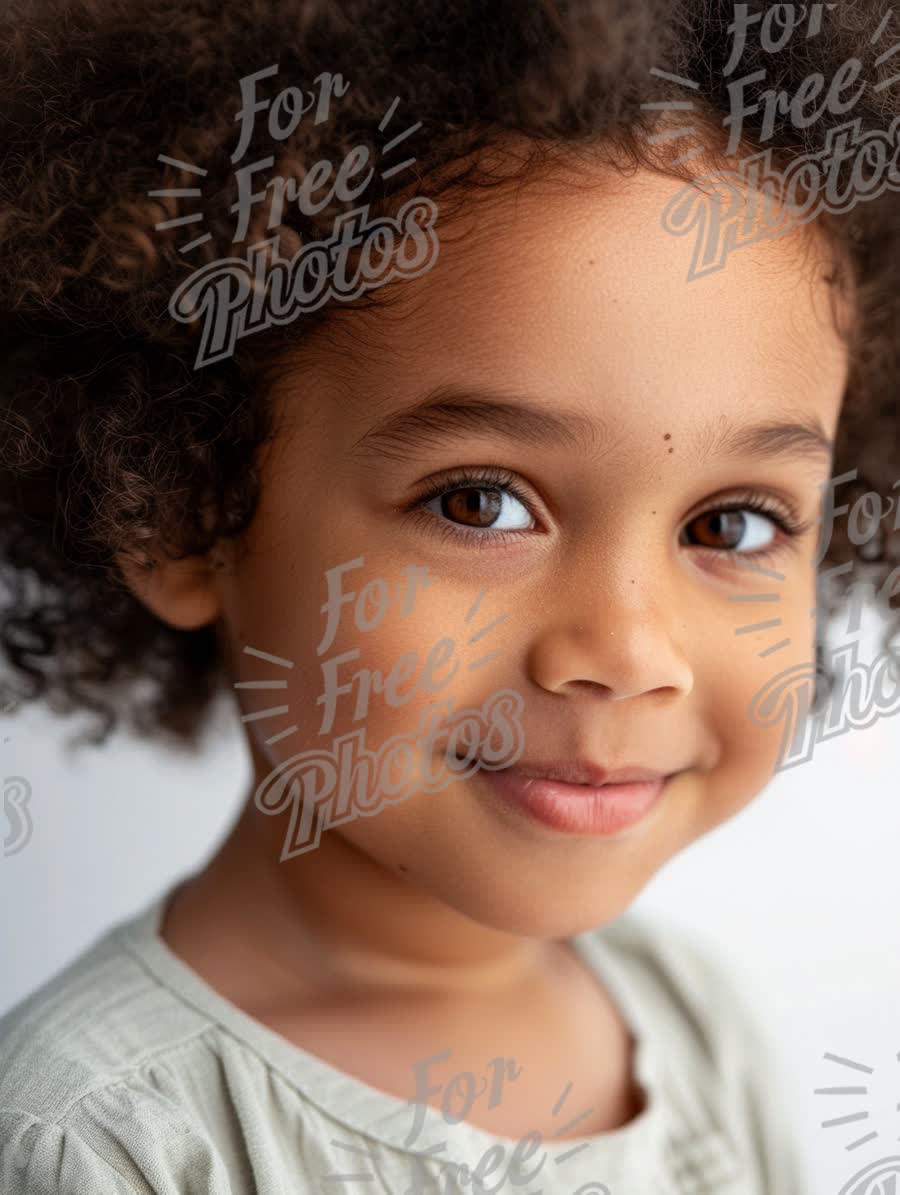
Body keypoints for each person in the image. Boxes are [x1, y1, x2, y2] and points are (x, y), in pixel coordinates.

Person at [0, 0, 898, 1191]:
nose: (627, 649)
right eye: (481, 503)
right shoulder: (107, 1139)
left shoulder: (690, 1024)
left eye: (730, 524)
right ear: (180, 506)